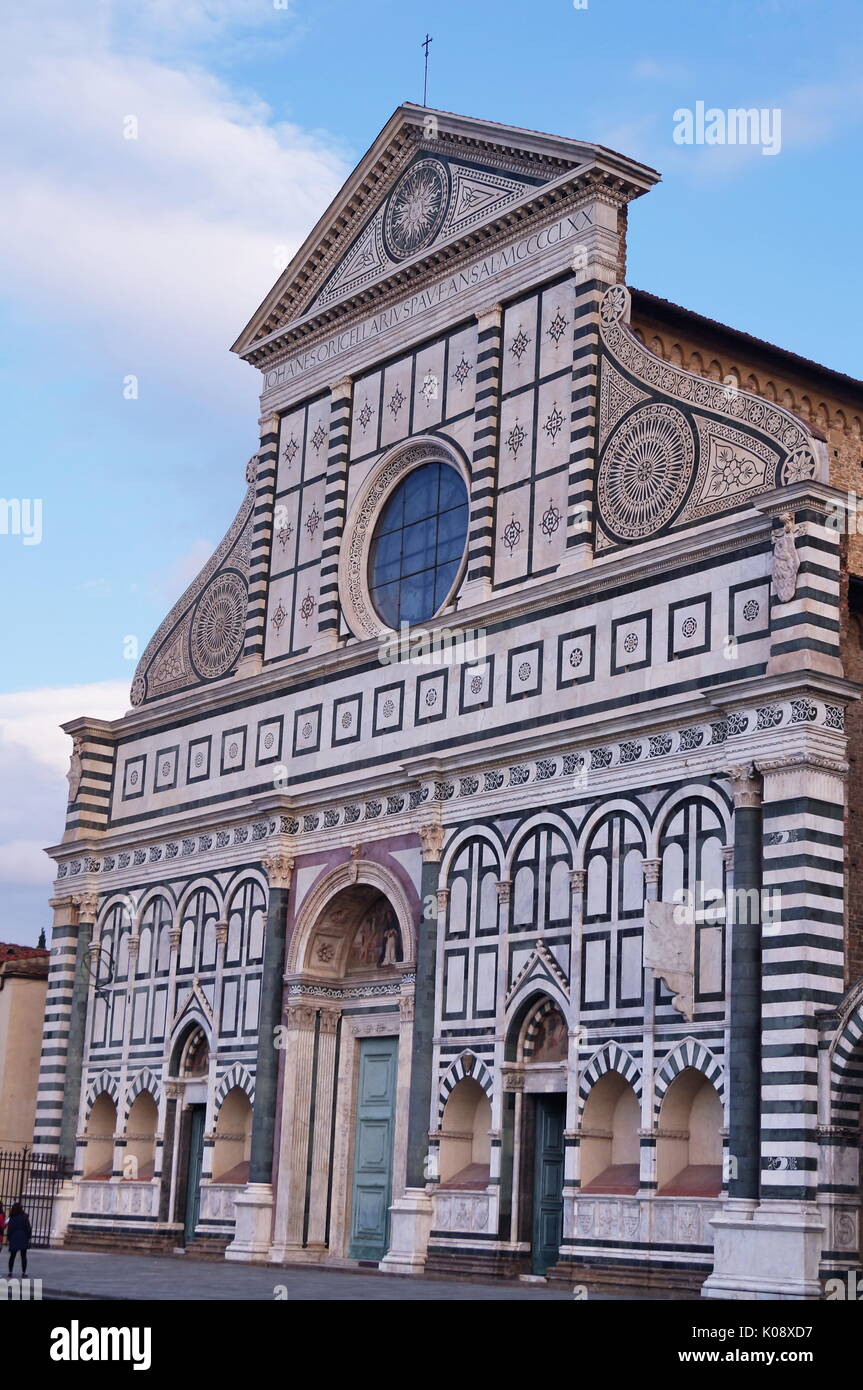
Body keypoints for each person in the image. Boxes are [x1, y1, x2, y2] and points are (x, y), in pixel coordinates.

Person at [6, 1203, 31, 1277]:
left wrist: (9, 1237)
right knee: (23, 1256)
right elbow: (28, 1228)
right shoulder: (25, 1217)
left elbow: (9, 1229)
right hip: (23, 1237)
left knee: (12, 1256)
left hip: (14, 1237)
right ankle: (23, 1273)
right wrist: (28, 1236)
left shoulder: (12, 1217)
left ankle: (10, 1272)